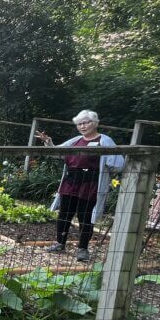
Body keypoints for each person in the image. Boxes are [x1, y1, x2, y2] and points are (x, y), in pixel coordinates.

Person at [36, 110, 124, 262]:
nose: (82, 126)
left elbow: (118, 164)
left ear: (95, 123)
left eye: (86, 122)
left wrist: (104, 169)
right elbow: (59, 153)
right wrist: (49, 142)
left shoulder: (105, 141)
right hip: (70, 183)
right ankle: (60, 243)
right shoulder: (75, 141)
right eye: (79, 124)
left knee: (85, 217)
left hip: (90, 185)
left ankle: (82, 249)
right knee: (64, 214)